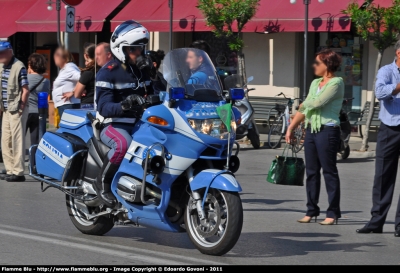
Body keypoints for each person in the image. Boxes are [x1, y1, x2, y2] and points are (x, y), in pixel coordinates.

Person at [94, 20, 160, 207]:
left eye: (140, 49)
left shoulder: (143, 71)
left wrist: (155, 76)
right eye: (133, 49)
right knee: (124, 145)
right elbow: (104, 107)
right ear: (120, 49)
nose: (138, 53)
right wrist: (125, 104)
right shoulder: (108, 73)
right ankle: (102, 184)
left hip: (141, 123)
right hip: (113, 124)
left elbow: (160, 95)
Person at [285, 49, 344, 225]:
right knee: (311, 172)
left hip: (328, 130)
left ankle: (332, 213)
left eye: (318, 63)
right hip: (311, 129)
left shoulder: (336, 83)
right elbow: (305, 109)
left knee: (329, 171)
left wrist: (305, 103)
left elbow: (317, 103)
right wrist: (291, 127)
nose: (314, 66)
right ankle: (311, 210)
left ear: (328, 64)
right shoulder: (315, 83)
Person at [356, 40, 400, 237]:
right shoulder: (386, 71)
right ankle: (376, 221)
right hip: (389, 128)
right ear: (398, 52)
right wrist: (398, 87)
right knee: (383, 176)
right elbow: (380, 92)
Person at [0, 41, 30, 182]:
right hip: (6, 109)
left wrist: (21, 108)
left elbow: (25, 89)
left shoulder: (19, 67)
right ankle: (10, 169)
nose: (0, 55)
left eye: (3, 52)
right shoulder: (1, 66)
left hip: (17, 109)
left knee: (17, 140)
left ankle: (18, 172)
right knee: (5, 140)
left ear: (10, 51)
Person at [63, 43, 97, 109]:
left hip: (88, 104)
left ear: (86, 55)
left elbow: (77, 94)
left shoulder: (88, 73)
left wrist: (79, 91)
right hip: (101, 105)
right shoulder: (102, 70)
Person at [26, 53, 50, 146]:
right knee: (35, 140)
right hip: (38, 112)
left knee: (19, 139)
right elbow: (46, 94)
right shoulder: (46, 81)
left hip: (25, 111)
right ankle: (34, 159)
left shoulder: (24, 78)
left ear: (30, 64)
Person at [52, 47, 80, 117]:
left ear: (63, 58)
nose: (55, 58)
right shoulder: (64, 69)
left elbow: (82, 78)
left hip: (68, 105)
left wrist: (73, 92)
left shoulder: (69, 68)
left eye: (57, 55)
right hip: (65, 105)